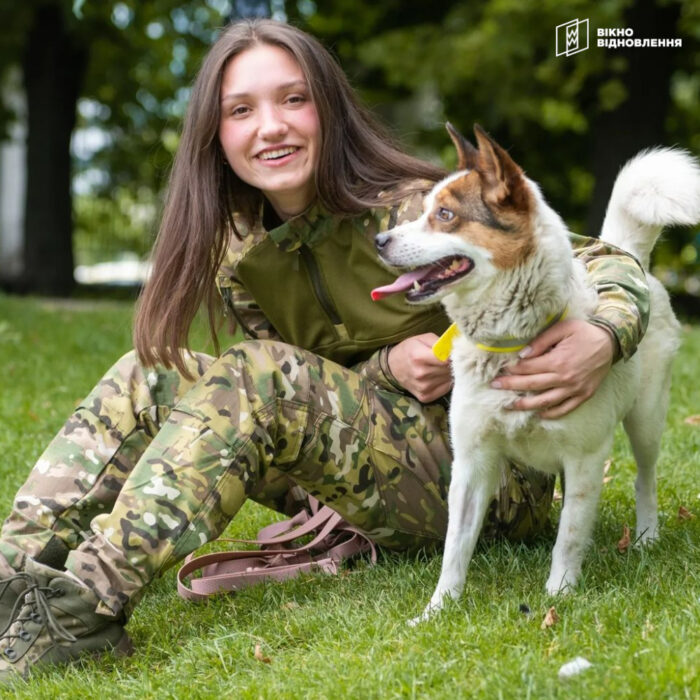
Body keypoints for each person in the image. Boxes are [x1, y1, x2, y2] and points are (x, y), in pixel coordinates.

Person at [0, 18, 649, 682]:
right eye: (240, 110)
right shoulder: (242, 254)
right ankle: (10, 575)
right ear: (216, 135)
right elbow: (298, 396)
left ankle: (82, 607)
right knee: (152, 372)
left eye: (293, 99)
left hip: (492, 475)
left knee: (258, 375)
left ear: (328, 109)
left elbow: (602, 260)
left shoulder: (406, 213)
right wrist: (383, 367)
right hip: (362, 465)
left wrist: (604, 335)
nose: (270, 126)